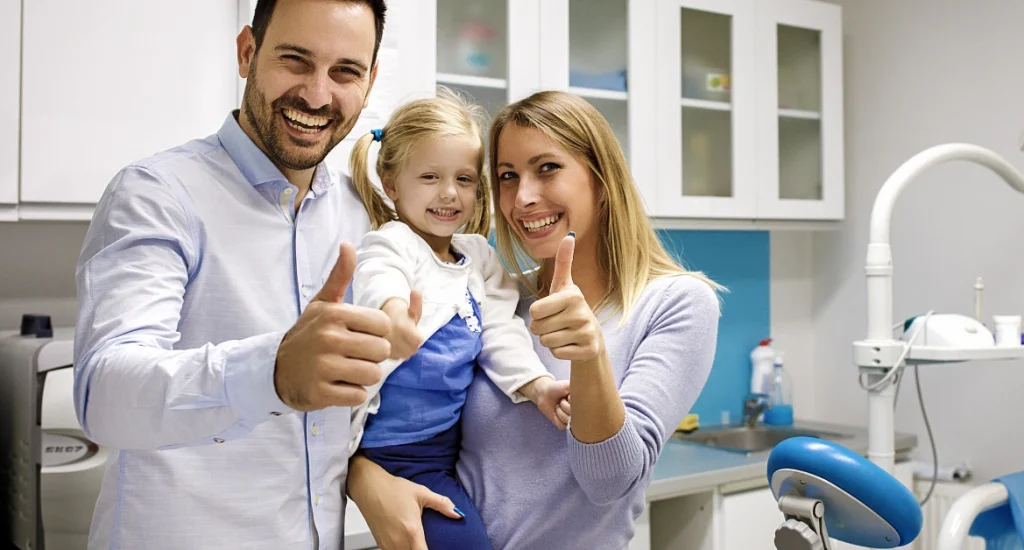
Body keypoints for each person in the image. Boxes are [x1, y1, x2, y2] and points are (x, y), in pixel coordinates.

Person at [71, 1, 460, 548]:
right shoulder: (157, 194)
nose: (317, 95)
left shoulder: (364, 220)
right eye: (296, 60)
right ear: (247, 52)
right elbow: (103, 396)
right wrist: (271, 372)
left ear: (369, 83)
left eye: (345, 71)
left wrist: (367, 477)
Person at [346, 90, 723, 550]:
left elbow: (610, 483)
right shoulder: (493, 294)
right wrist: (362, 478)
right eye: (507, 176)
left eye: (547, 168)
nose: (523, 197)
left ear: (601, 179)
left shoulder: (677, 303)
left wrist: (590, 357)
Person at [344, 89, 572, 549]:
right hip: (395, 454)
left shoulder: (478, 257)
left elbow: (500, 329)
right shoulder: (394, 242)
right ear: (391, 184)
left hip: (449, 448)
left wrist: (537, 385)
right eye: (429, 176)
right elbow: (377, 278)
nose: (449, 193)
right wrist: (393, 319)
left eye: (464, 179)